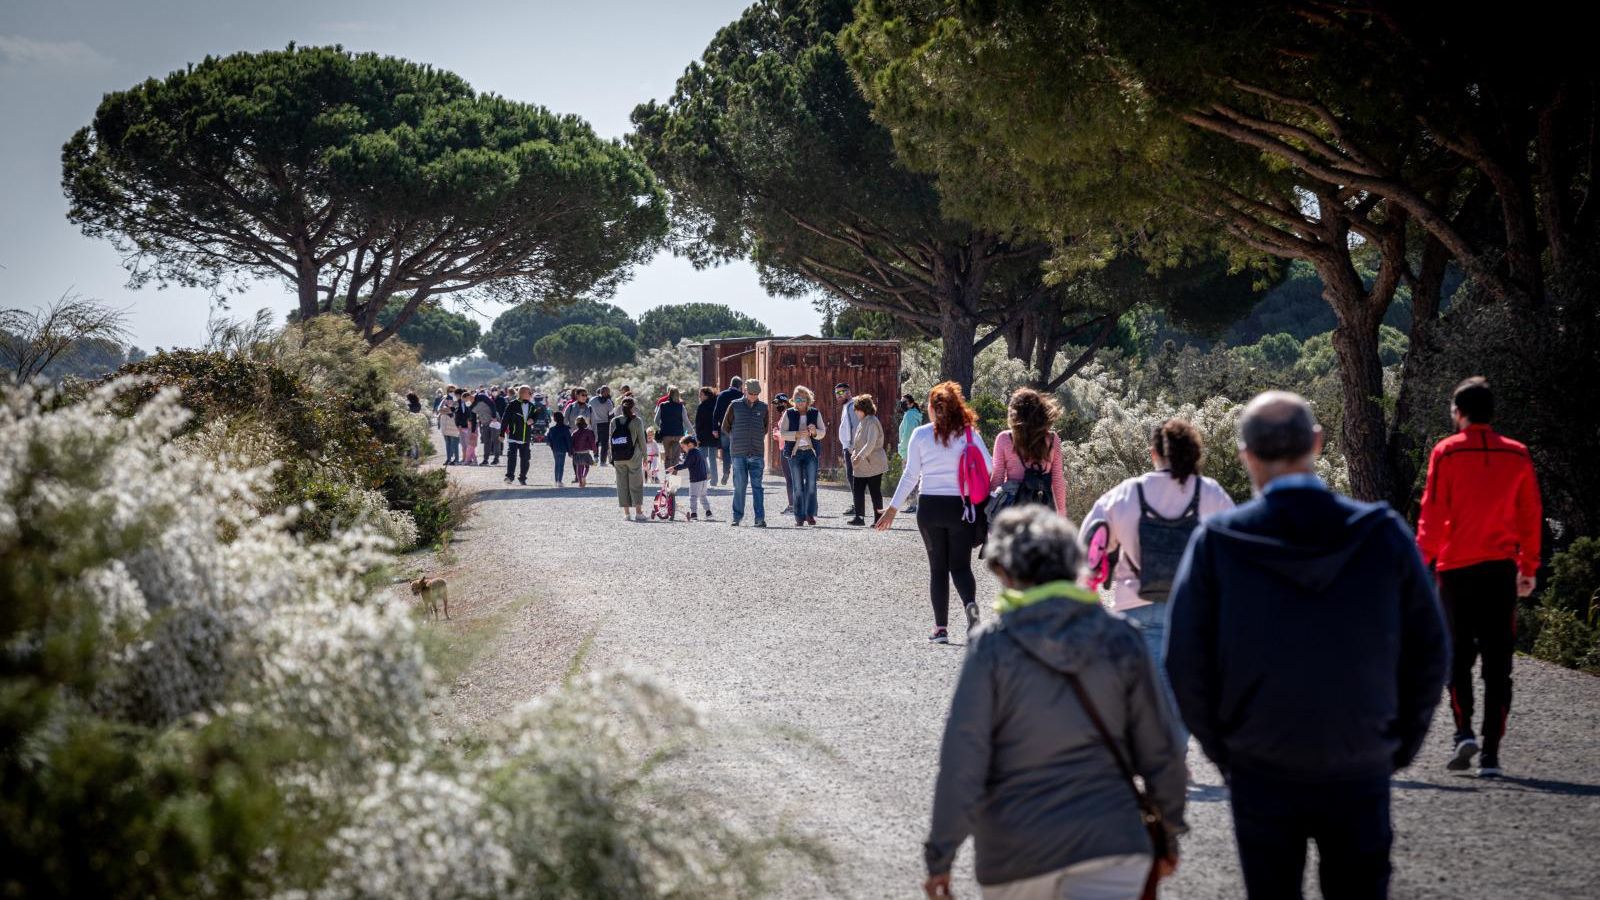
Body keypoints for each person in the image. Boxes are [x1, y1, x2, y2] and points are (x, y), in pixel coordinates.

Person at [1165, 391, 1449, 900]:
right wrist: (1398, 742)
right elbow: (1430, 647)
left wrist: (1224, 750)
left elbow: (1184, 660)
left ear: (1246, 454)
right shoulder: (1382, 533)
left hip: (1259, 760)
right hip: (1360, 754)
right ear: (1317, 443)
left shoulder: (1218, 542)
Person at [925, 505, 1187, 900]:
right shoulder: (1123, 639)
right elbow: (1161, 750)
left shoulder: (992, 647)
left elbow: (964, 761)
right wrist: (1168, 832)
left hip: (1016, 855)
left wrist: (940, 857)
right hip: (1112, 845)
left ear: (1005, 572)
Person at [1416, 376, 1542, 778]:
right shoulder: (1517, 455)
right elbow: (1530, 514)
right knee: (1498, 662)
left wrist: (1420, 562)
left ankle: (1463, 732)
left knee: (1457, 656)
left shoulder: (1446, 453)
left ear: (1458, 414)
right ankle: (1490, 754)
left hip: (1455, 571)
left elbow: (1432, 513)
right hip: (1500, 571)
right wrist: (1528, 568)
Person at [1080, 418, 1234, 742]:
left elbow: (1090, 544)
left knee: (1141, 699)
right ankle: (1173, 756)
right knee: (1181, 700)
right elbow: (1233, 552)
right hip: (1192, 613)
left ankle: (1150, 756)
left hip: (1134, 608)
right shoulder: (1210, 493)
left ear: (1153, 453)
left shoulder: (1127, 492)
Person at [877, 381, 992, 643]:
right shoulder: (969, 434)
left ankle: (940, 630)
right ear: (957, 407)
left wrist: (893, 509)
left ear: (931, 408)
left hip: (929, 508)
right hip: (961, 508)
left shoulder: (920, 435)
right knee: (961, 566)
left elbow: (910, 475)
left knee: (938, 569)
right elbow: (989, 467)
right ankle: (970, 606)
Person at [989, 388, 1068, 517]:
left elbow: (997, 478)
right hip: (1043, 509)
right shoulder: (1052, 439)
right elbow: (1057, 480)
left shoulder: (1004, 439)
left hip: (1012, 510)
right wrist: (1062, 515)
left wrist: (990, 511)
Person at [721, 378, 769, 527]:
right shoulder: (734, 405)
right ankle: (737, 517)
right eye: (751, 393)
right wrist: (736, 438)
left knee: (757, 487)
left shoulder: (763, 407)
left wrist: (754, 438)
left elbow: (764, 428)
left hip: (757, 452)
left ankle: (759, 519)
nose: (754, 396)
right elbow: (725, 427)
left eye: (756, 394)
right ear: (745, 391)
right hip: (738, 453)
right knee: (740, 487)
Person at [780, 386, 826, 526]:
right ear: (794, 400)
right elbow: (783, 433)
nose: (800, 402)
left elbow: (823, 432)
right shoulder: (788, 413)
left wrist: (814, 432)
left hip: (811, 453)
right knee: (798, 487)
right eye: (797, 399)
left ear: (808, 400)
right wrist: (796, 435)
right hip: (795, 454)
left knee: (811, 485)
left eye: (803, 399)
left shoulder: (815, 413)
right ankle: (799, 517)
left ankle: (809, 514)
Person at [848, 395, 888, 526]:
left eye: (857, 409)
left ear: (863, 409)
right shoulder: (863, 422)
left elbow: (870, 443)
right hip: (860, 466)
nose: (855, 412)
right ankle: (859, 517)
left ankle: (878, 519)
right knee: (858, 491)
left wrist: (859, 457)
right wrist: (854, 454)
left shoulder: (872, 422)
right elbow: (858, 442)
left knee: (875, 492)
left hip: (873, 463)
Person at [610, 396, 648, 520]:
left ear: (621, 407)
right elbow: (642, 441)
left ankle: (626, 514)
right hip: (633, 457)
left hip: (618, 457)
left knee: (622, 484)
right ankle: (638, 513)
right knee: (636, 484)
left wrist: (612, 457)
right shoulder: (637, 421)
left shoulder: (614, 421)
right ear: (633, 408)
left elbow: (610, 441)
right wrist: (645, 457)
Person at [671, 435, 714, 521]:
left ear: (690, 445)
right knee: (703, 496)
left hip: (695, 479)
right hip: (703, 479)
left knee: (693, 496)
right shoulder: (698, 451)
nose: (683, 449)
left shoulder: (691, 453)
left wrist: (674, 467)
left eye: (683, 447)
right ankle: (708, 511)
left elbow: (686, 464)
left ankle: (694, 514)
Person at [712, 376, 744, 486]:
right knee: (737, 452)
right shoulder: (741, 396)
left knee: (726, 451)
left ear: (731, 384)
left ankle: (726, 471)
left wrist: (714, 428)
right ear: (740, 386)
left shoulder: (722, 395)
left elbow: (716, 412)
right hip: (738, 429)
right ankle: (736, 475)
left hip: (724, 428)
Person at [501, 385, 536, 486]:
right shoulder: (512, 404)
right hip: (513, 436)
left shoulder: (532, 406)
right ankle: (509, 477)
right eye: (530, 393)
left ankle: (522, 478)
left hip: (525, 437)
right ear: (523, 393)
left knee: (525, 459)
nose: (531, 395)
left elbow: (535, 415)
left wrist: (533, 420)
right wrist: (501, 433)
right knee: (511, 458)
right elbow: (505, 419)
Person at [835, 382, 857, 516]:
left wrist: (852, 446)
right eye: (836, 393)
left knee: (853, 476)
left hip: (851, 447)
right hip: (848, 446)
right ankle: (857, 504)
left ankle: (858, 506)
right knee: (852, 476)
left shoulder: (852, 406)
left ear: (848, 392)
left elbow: (855, 427)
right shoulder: (846, 406)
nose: (838, 395)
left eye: (841, 392)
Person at [771, 392, 795, 515]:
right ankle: (794, 505)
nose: (777, 406)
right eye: (776, 404)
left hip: (787, 449)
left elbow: (787, 433)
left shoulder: (787, 414)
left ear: (785, 403)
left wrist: (776, 432)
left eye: (779, 403)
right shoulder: (785, 414)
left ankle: (792, 506)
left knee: (790, 478)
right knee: (790, 478)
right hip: (784, 447)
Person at [655, 386, 688, 472]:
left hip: (666, 435)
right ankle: (674, 477)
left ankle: (667, 476)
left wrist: (662, 426)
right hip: (678, 434)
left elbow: (656, 420)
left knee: (668, 456)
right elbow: (686, 422)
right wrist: (693, 434)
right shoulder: (681, 407)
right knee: (676, 457)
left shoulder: (662, 405)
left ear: (669, 394)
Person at [695, 386, 720, 482]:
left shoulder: (701, 407)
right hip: (713, 435)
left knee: (701, 457)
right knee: (712, 458)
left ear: (706, 395)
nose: (699, 397)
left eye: (701, 395)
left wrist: (697, 436)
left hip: (703, 436)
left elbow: (698, 423)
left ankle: (708, 472)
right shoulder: (716, 404)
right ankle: (714, 480)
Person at [473, 390, 500, 466]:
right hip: (485, 423)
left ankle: (495, 459)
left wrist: (494, 417)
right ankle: (486, 459)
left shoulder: (487, 403)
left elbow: (493, 410)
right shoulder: (477, 404)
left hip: (493, 422)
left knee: (495, 441)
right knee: (487, 442)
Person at [590, 386, 616, 465]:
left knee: (596, 441)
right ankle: (603, 461)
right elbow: (611, 415)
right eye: (608, 392)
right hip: (605, 424)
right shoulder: (608, 402)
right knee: (604, 443)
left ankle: (595, 457)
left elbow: (589, 411)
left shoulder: (592, 400)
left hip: (594, 423)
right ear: (606, 392)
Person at [570, 415, 598, 488]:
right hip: (586, 452)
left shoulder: (574, 433)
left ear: (577, 424)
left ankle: (580, 482)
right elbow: (592, 442)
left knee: (579, 467)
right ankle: (584, 476)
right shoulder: (589, 432)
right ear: (585, 423)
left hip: (577, 452)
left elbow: (571, 443)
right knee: (587, 466)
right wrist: (594, 450)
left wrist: (571, 452)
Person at [546, 411, 572, 486]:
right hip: (563, 449)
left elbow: (548, 439)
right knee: (561, 465)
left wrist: (552, 446)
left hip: (555, 449)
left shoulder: (552, 429)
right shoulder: (565, 429)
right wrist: (570, 451)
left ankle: (556, 480)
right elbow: (569, 441)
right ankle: (559, 481)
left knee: (557, 465)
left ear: (555, 419)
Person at [437, 394, 461, 465]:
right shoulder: (444, 406)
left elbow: (449, 411)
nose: (448, 401)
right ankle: (448, 459)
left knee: (455, 444)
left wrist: (445, 411)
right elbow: (439, 410)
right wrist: (443, 401)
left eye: (450, 400)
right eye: (447, 400)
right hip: (445, 429)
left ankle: (456, 460)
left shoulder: (456, 406)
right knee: (448, 444)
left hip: (454, 429)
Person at [458, 399, 478, 465]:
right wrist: (462, 429)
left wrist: (473, 436)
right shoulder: (470, 426)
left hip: (472, 440)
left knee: (470, 451)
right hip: (470, 439)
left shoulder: (473, 424)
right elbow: (466, 430)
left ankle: (467, 461)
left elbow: (473, 432)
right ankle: (474, 461)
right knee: (471, 451)